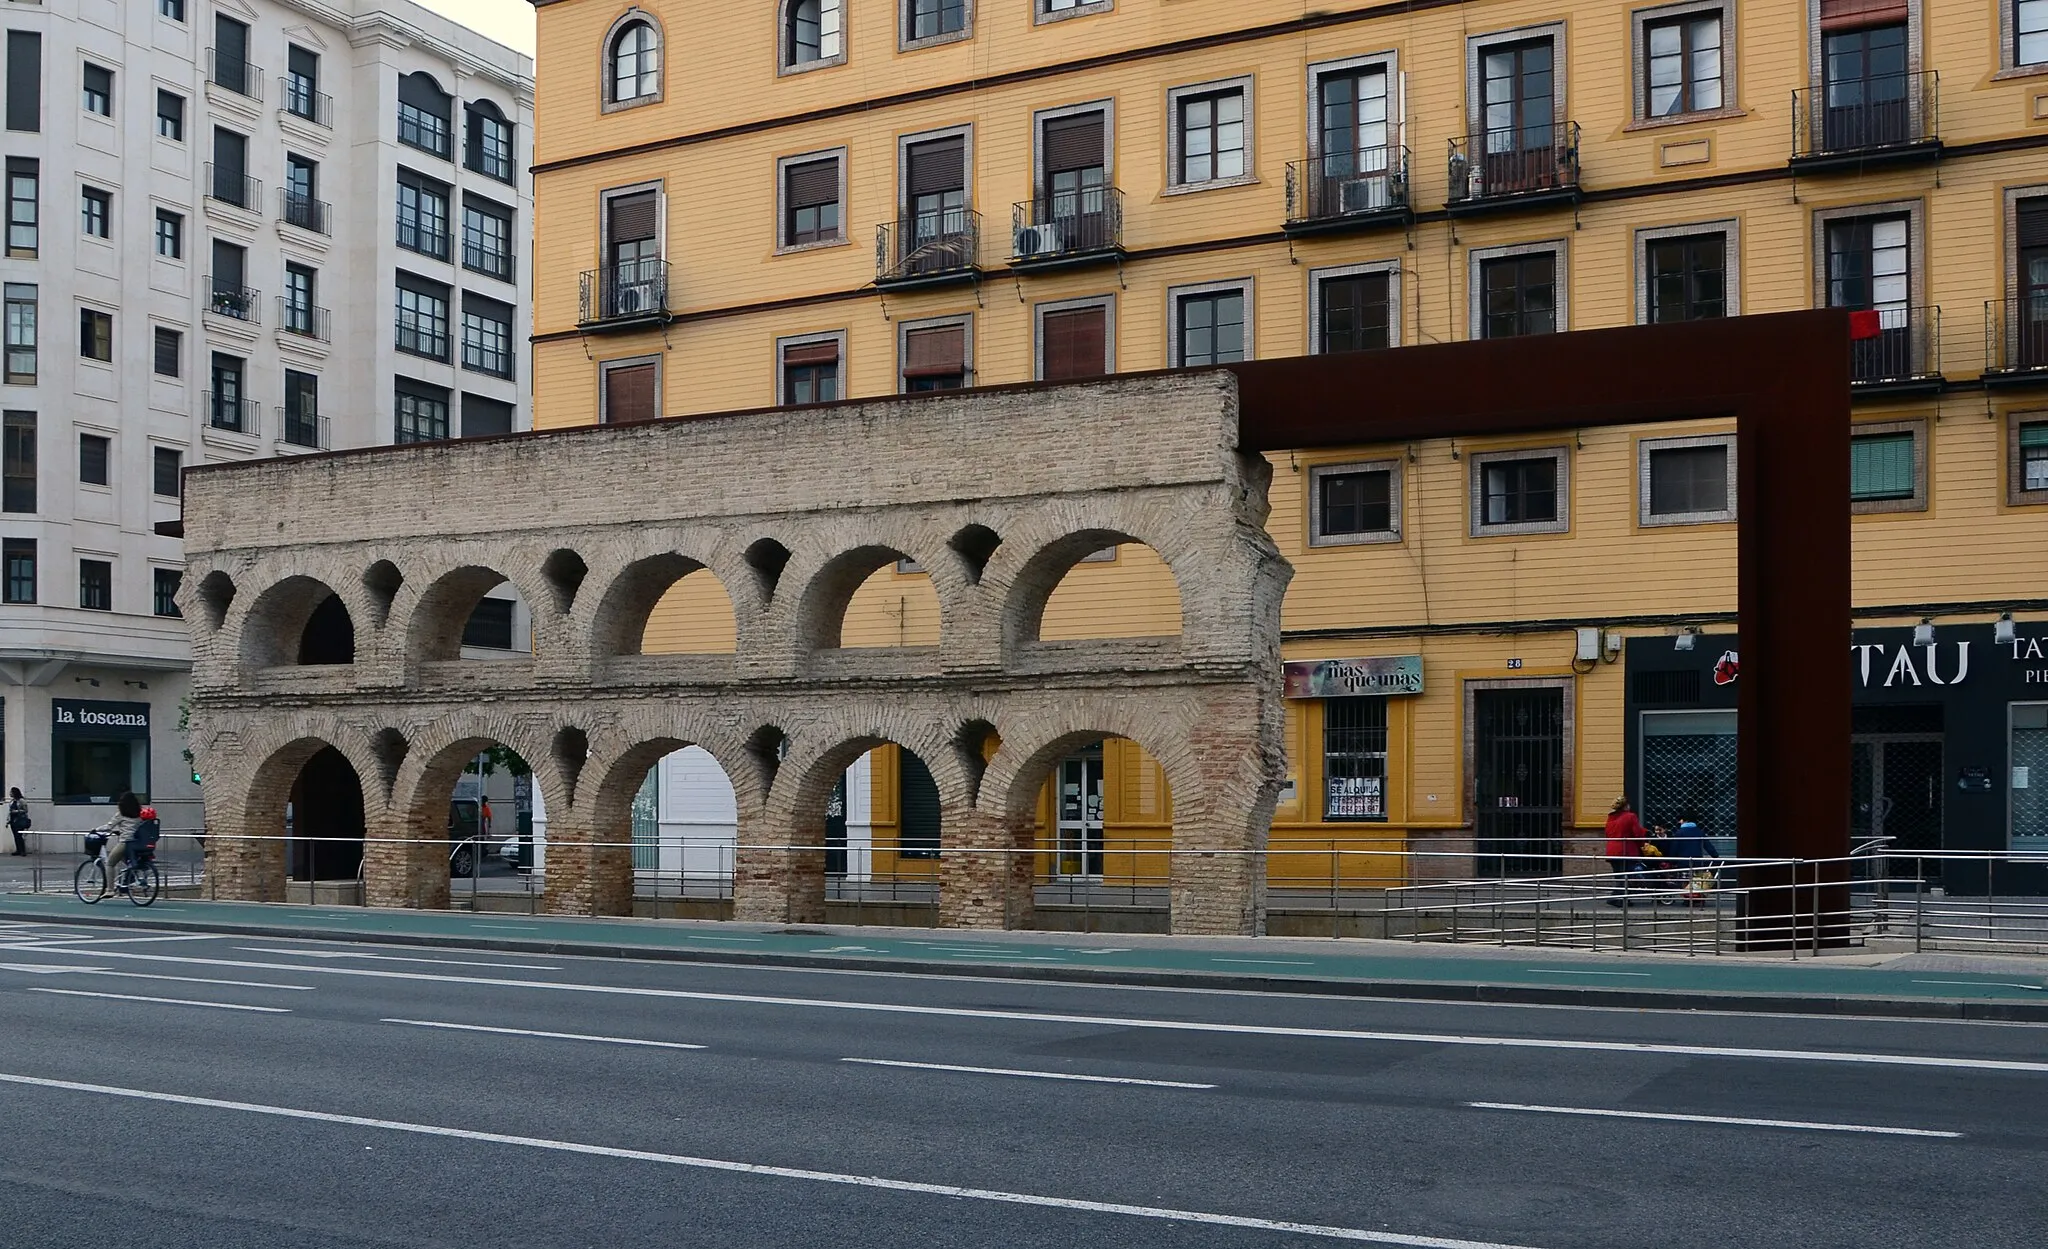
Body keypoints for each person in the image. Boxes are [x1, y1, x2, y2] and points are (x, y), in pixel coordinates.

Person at [1603, 796, 1648, 905]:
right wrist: (1643, 843)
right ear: (1626, 806)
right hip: (1626, 850)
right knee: (1626, 875)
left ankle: (1619, 898)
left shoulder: (1611, 818)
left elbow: (1608, 833)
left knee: (1619, 875)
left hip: (1612, 850)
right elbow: (1637, 833)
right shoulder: (1630, 816)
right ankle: (1617, 899)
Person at [95, 792, 144, 888]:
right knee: (126, 860)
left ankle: (110, 890)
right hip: (137, 843)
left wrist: (96, 829)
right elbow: (133, 827)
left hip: (125, 842)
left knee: (110, 863)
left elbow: (109, 826)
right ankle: (131, 875)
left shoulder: (121, 814)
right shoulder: (139, 814)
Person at [6, 786, 27, 856]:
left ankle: (22, 850)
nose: (10, 793)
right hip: (13, 820)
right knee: (15, 835)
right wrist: (8, 820)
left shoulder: (21, 800)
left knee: (19, 835)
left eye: (11, 792)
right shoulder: (12, 801)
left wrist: (16, 811)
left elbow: (25, 810)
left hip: (19, 820)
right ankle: (18, 849)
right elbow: (9, 811)